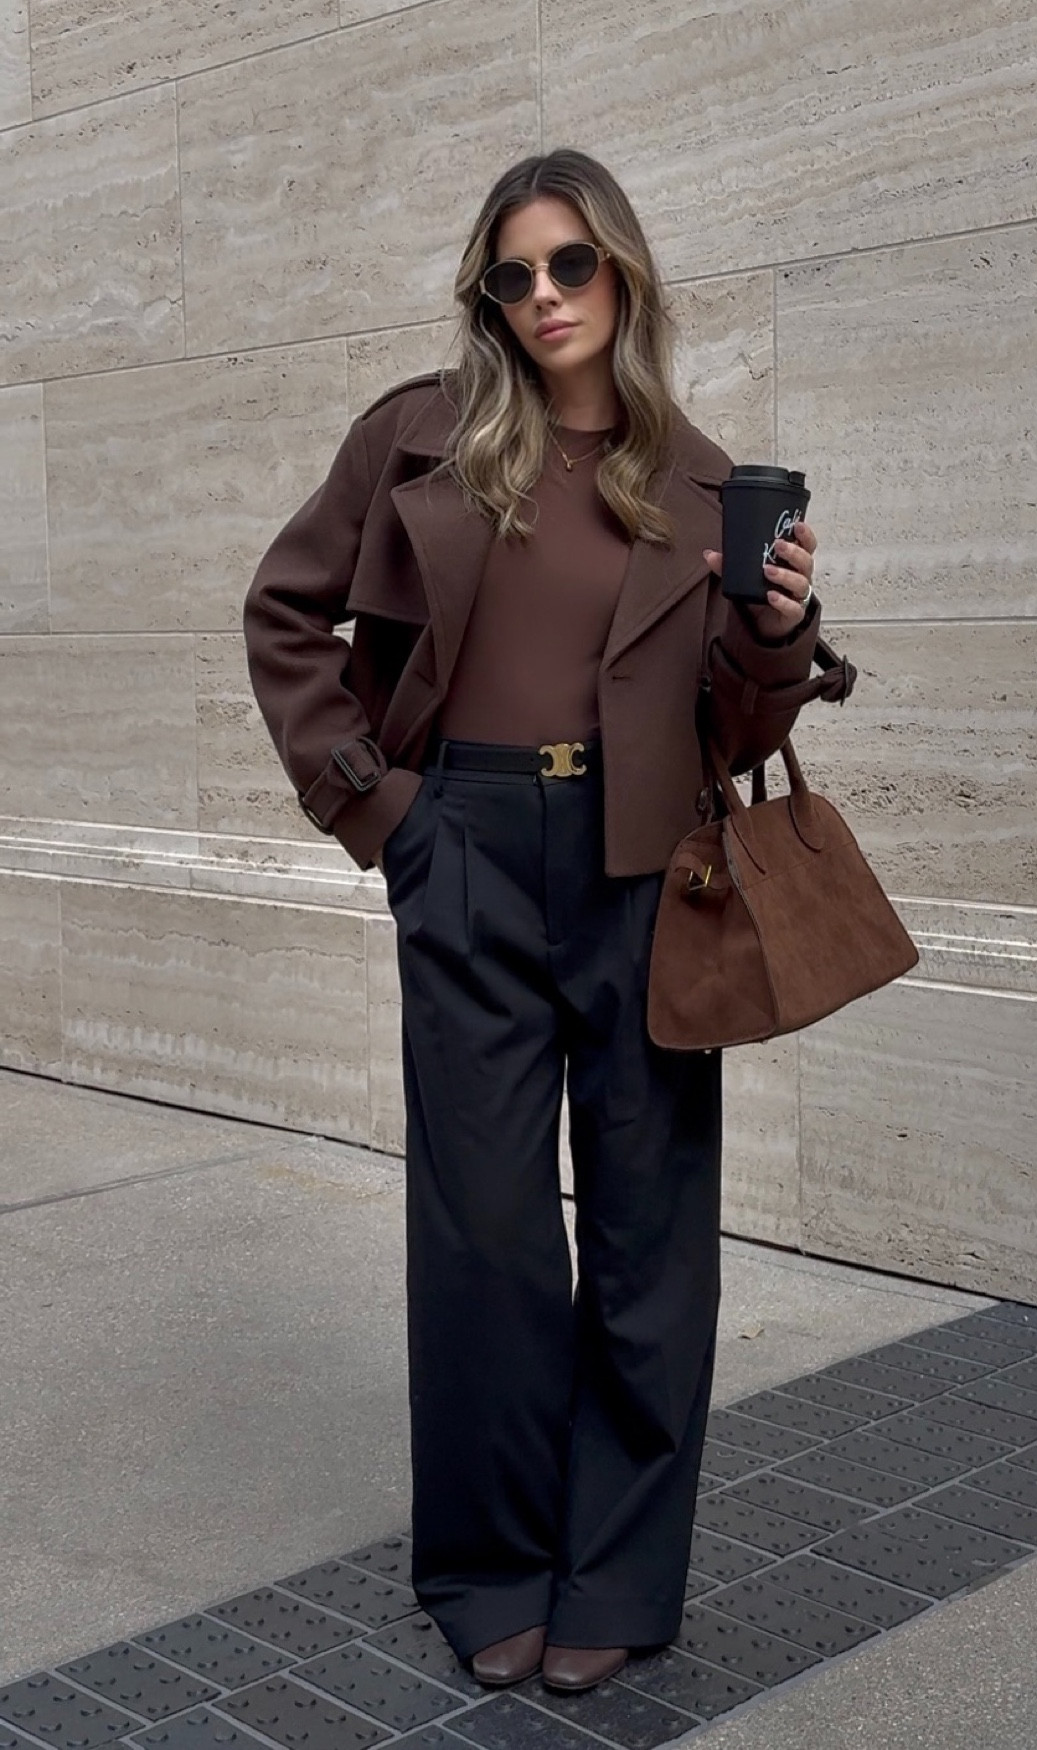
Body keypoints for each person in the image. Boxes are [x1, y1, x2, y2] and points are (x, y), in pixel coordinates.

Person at [242, 148, 823, 1695]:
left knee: (648, 1229)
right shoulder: (419, 441)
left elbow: (736, 723)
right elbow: (284, 612)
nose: (546, 296)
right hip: (469, 846)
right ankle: (491, 1559)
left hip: (647, 866)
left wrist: (778, 630)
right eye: (516, 273)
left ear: (621, 276)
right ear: (488, 295)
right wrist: (386, 812)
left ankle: (620, 1568)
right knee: (488, 1227)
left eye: (572, 265)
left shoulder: (696, 478)